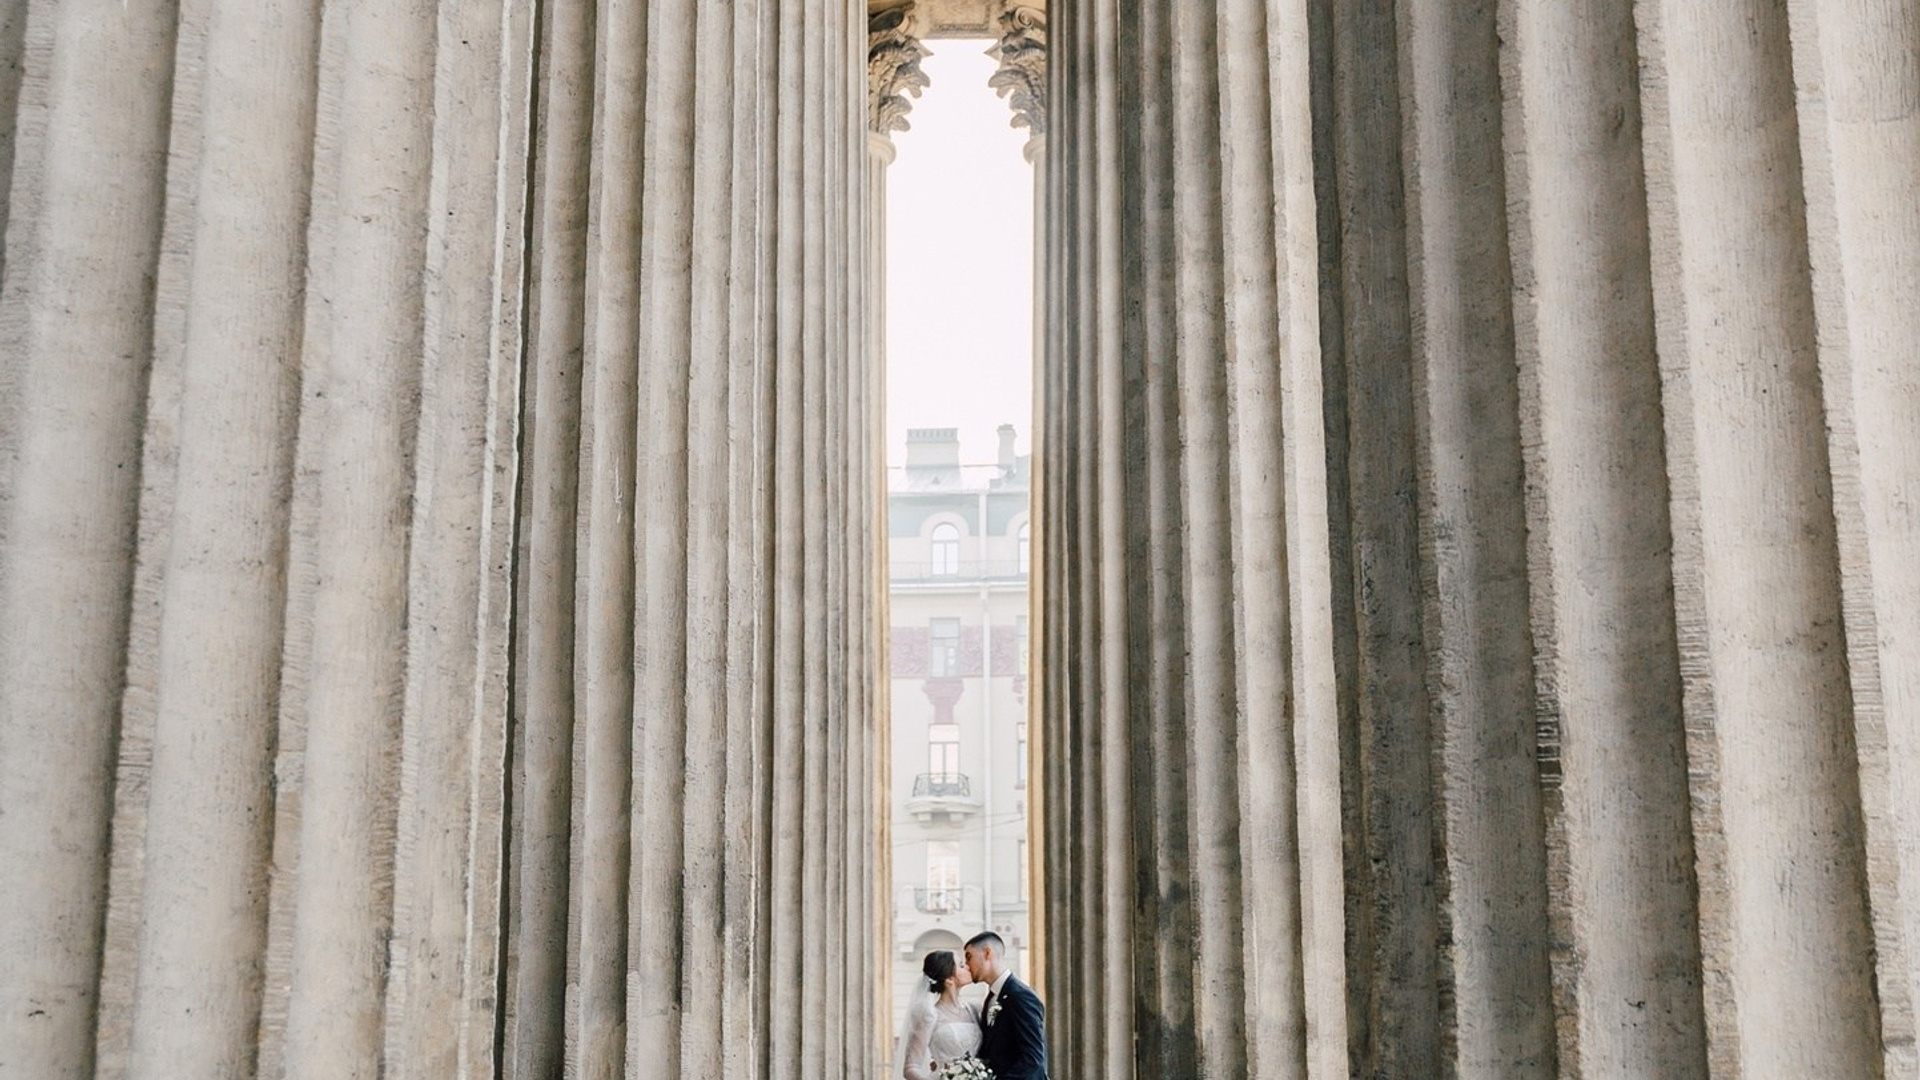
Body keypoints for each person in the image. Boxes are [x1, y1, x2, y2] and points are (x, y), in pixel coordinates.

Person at [964, 931, 1047, 1080]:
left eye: (969, 957)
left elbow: (1033, 1057)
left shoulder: (1021, 996)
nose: (967, 965)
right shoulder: (990, 997)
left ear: (987, 953)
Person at [897, 949, 983, 1080]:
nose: (967, 966)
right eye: (961, 965)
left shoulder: (974, 1009)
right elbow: (910, 1067)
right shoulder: (929, 1015)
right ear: (949, 979)